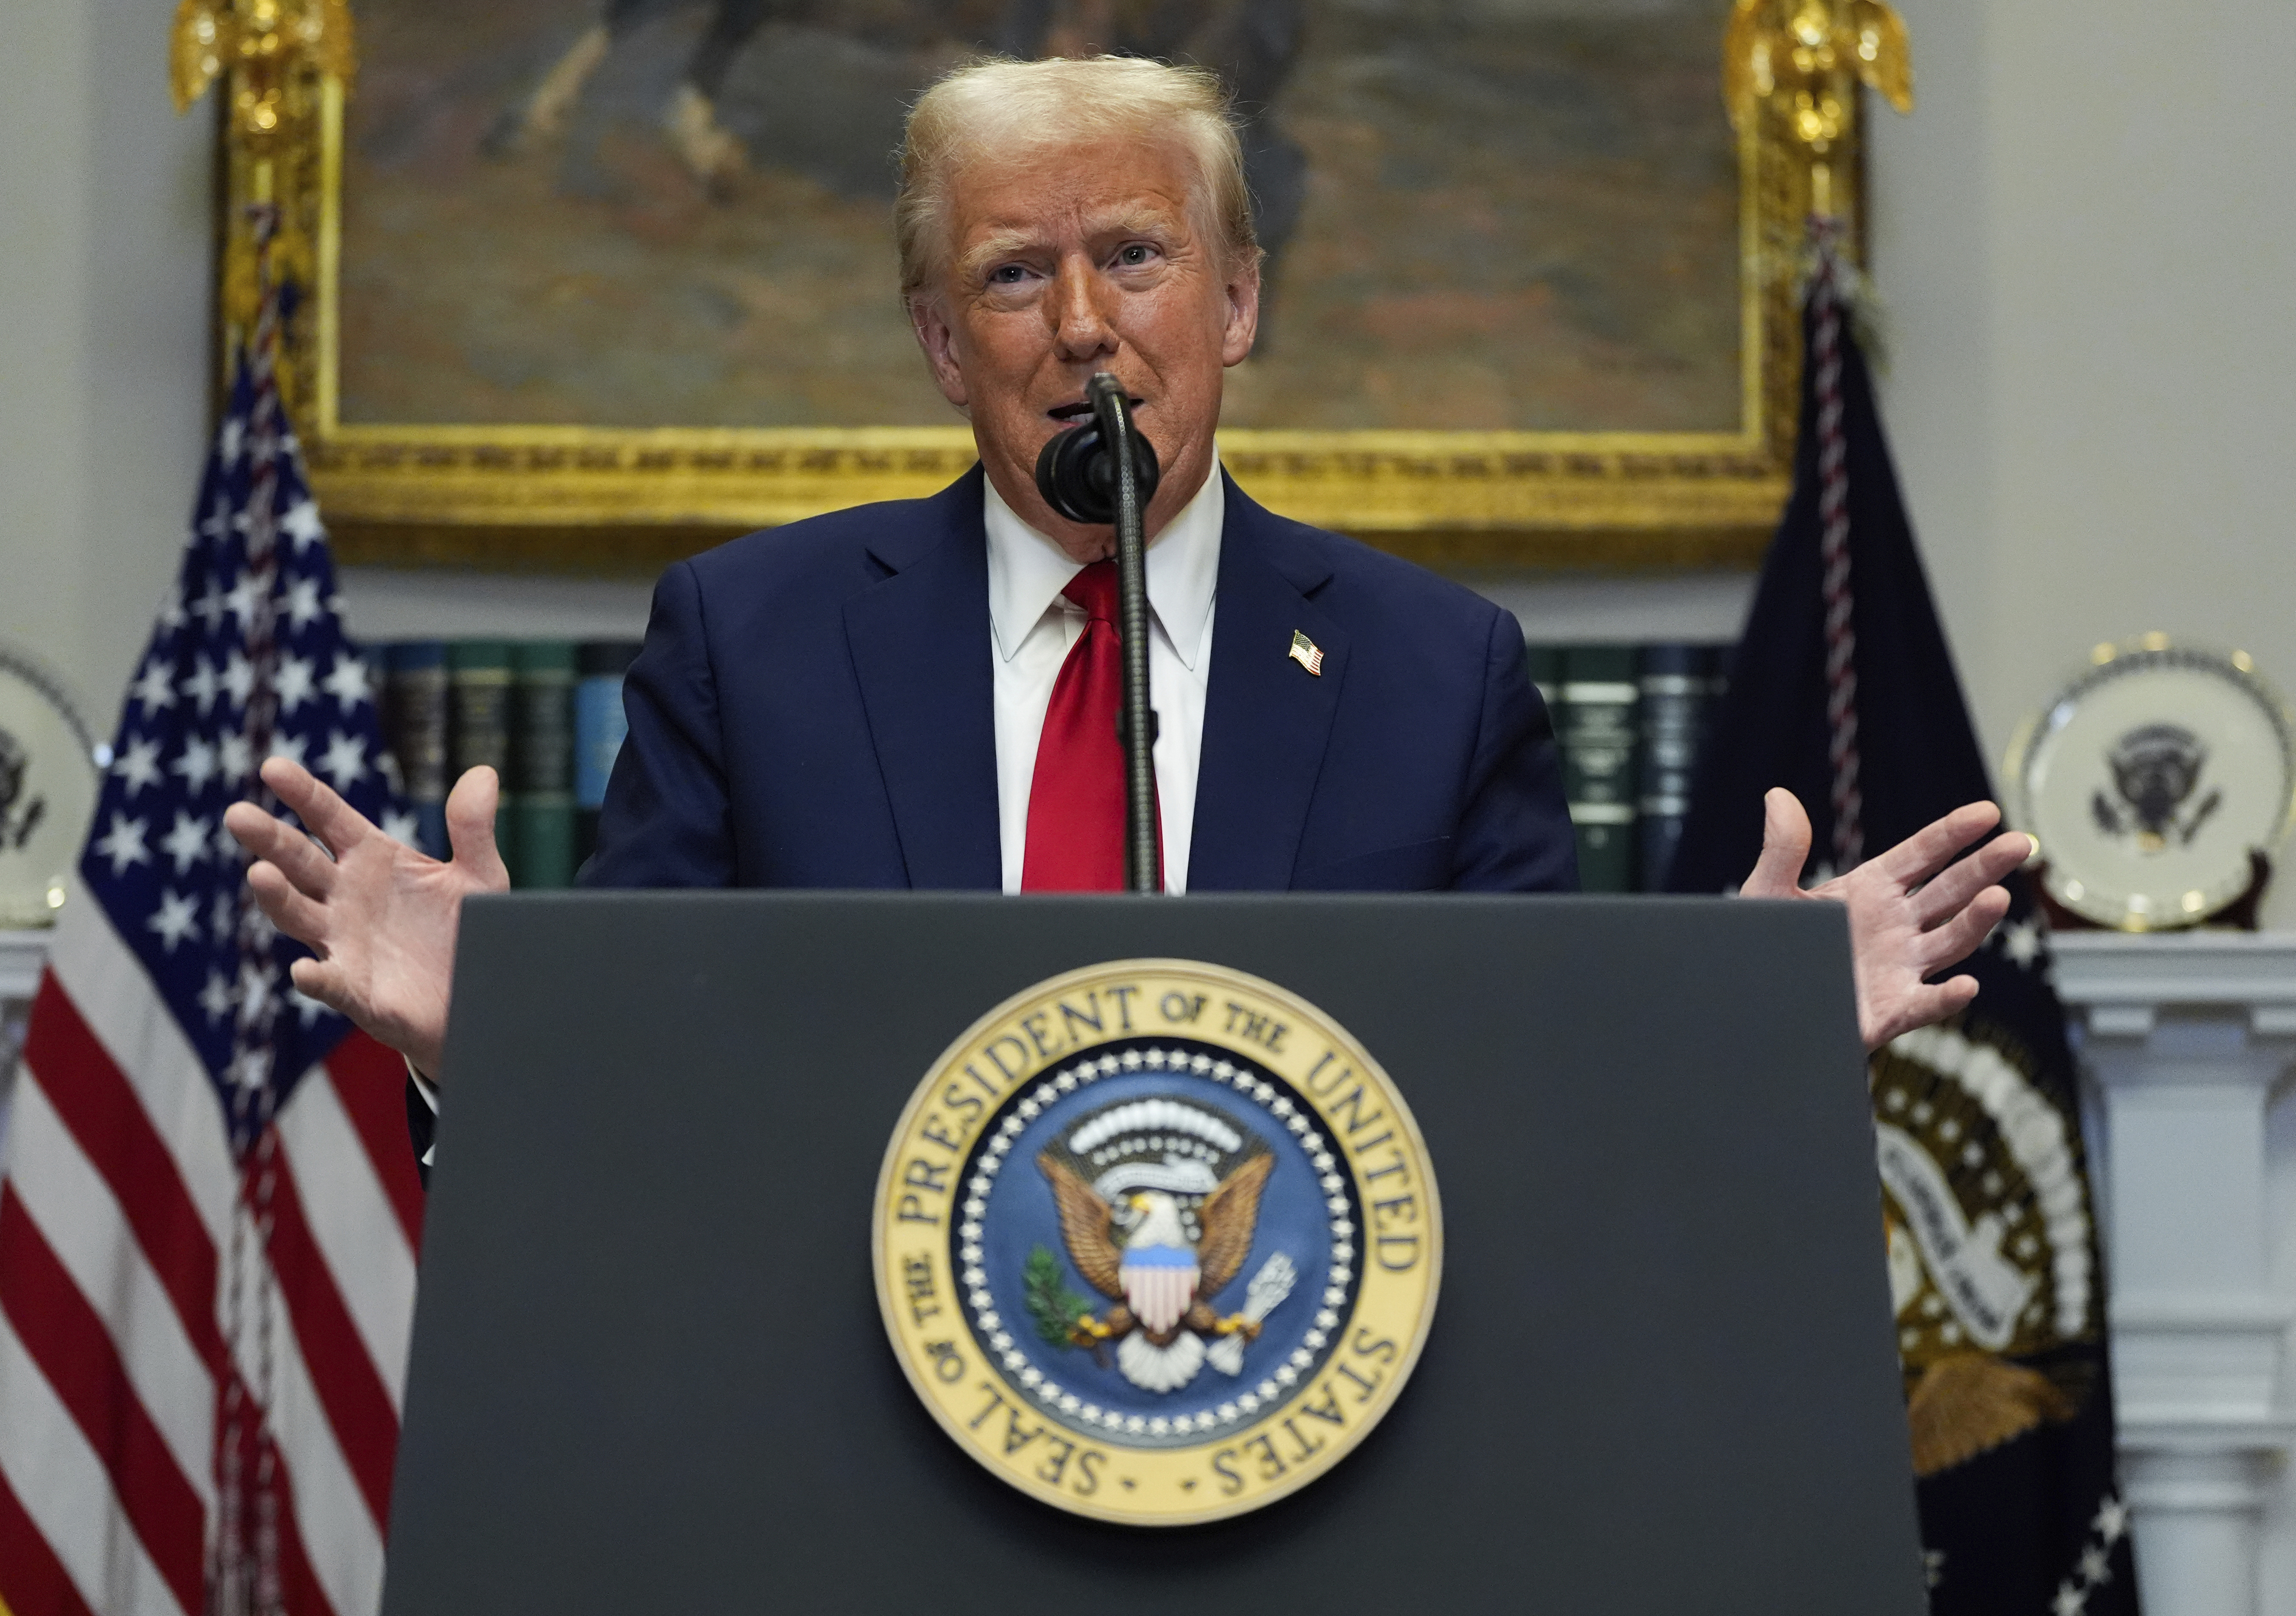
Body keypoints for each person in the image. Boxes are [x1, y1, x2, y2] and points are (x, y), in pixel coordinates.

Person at [228, 55, 2028, 1102]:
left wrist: (1732, 1043)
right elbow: (653, 1120)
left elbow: (1517, 1105)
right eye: (1014, 276)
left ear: (1237, 303)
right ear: (942, 342)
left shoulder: (1431, 671)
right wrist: (494, 1048)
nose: (1083, 326)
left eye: (1137, 257)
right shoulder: (751, 643)